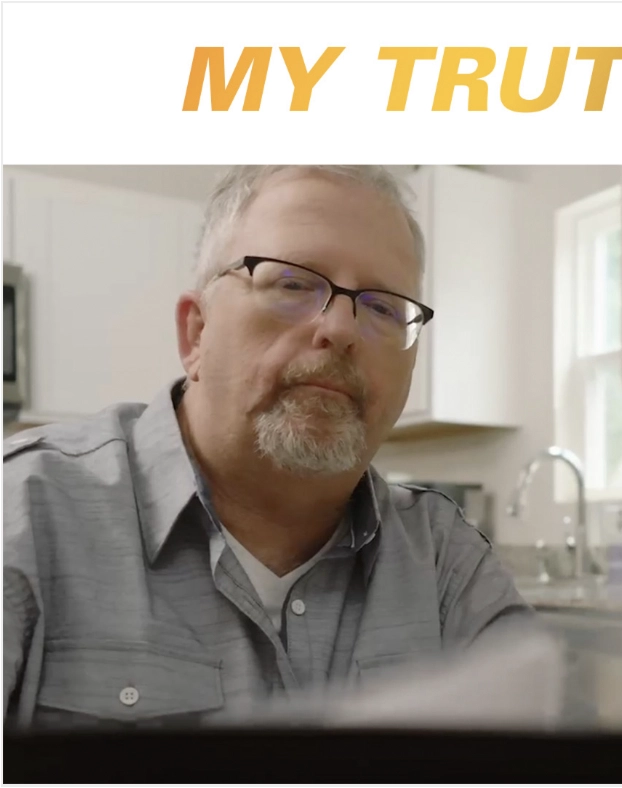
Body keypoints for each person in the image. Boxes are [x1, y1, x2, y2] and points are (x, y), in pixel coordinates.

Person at [4, 166, 533, 727]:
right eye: (294, 284)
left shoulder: (445, 563)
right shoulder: (25, 514)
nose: (342, 329)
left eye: (382, 307)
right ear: (197, 334)